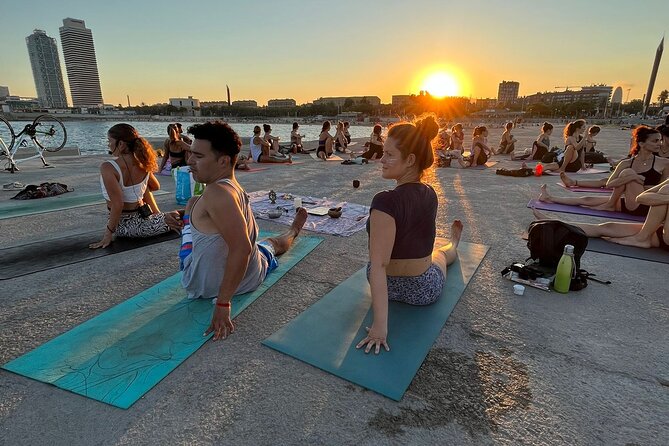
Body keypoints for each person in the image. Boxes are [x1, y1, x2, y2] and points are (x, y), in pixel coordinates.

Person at [164, 121, 308, 341]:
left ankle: (294, 229)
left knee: (273, 243)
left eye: (199, 157)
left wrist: (223, 303)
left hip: (206, 284)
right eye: (191, 154)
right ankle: (294, 229)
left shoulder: (216, 193)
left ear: (222, 161)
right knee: (194, 202)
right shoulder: (231, 187)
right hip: (239, 273)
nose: (190, 161)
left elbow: (241, 248)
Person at [356, 114, 463, 355]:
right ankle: (453, 244)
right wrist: (379, 328)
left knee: (378, 260)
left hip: (387, 286)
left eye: (389, 155)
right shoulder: (430, 194)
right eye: (383, 153)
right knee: (440, 255)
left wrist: (380, 327)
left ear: (410, 160)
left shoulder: (384, 202)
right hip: (423, 290)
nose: (381, 160)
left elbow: (379, 265)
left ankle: (452, 243)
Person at [539, 126, 669, 215]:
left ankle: (607, 203)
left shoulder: (664, 163)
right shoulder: (627, 163)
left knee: (626, 174)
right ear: (641, 144)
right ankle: (549, 197)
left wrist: (636, 185)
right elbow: (609, 184)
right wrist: (632, 179)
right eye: (655, 141)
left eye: (660, 140)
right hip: (629, 200)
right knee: (587, 200)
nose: (660, 144)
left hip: (647, 204)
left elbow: (662, 190)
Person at [90, 124, 170, 249]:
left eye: (109, 141)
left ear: (121, 144)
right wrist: (138, 192)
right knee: (180, 217)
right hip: (144, 219)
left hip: (124, 227)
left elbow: (118, 204)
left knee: (180, 217)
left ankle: (162, 218)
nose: (108, 145)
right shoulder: (143, 164)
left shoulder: (108, 167)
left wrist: (108, 234)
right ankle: (160, 217)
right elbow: (155, 186)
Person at [531, 178, 669, 250]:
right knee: (606, 227)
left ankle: (641, 239)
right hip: (660, 230)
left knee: (666, 190)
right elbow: (641, 198)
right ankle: (555, 223)